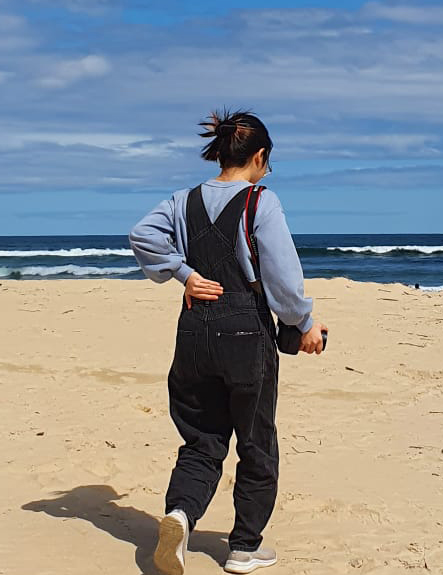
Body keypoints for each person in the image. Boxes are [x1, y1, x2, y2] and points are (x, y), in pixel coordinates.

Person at [129, 109, 327, 575]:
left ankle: (180, 514)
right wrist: (305, 323)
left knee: (202, 438)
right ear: (259, 157)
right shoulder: (262, 201)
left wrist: (185, 273)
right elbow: (283, 278)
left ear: (220, 150)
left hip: (195, 330)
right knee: (256, 441)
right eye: (267, 163)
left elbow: (142, 235)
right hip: (246, 331)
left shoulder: (183, 200)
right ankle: (243, 548)